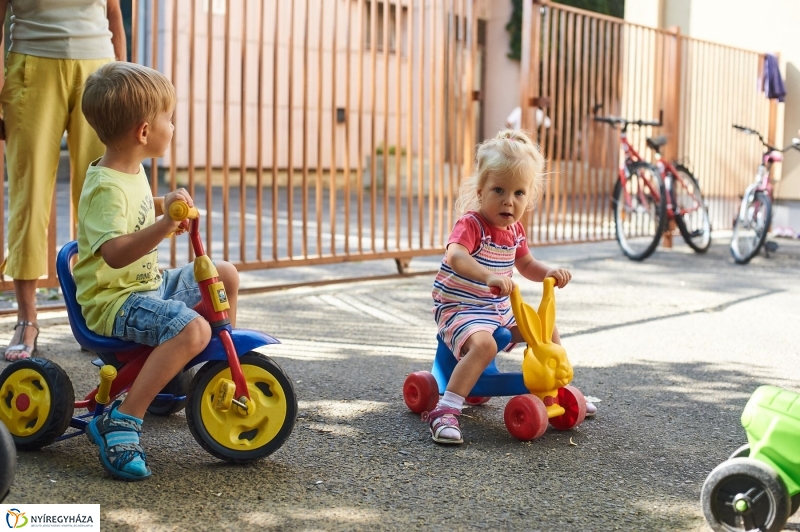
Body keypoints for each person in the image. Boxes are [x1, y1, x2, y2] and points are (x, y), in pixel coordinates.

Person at [75, 62, 240, 481]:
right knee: (192, 330)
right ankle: (122, 419)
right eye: (170, 118)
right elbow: (113, 252)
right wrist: (165, 224)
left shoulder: (129, 171)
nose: (174, 126)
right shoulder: (105, 188)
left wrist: (164, 203)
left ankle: (212, 369)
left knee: (225, 273)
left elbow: (138, 208)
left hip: (146, 286)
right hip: (116, 301)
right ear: (144, 132)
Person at [425, 128, 595, 445]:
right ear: (480, 191)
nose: (509, 201)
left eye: (518, 193)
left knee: (545, 330)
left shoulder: (514, 230)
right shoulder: (472, 224)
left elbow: (527, 264)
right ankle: (446, 409)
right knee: (486, 346)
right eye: (499, 190)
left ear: (528, 197)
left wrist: (550, 272)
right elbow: (456, 255)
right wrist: (488, 276)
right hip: (461, 307)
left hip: (496, 309)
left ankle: (556, 387)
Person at [0, 0, 126, 361]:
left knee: (103, 194)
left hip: (99, 69)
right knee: (29, 196)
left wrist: (123, 75)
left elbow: (113, 11)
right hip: (31, 66)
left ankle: (100, 316)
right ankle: (26, 319)